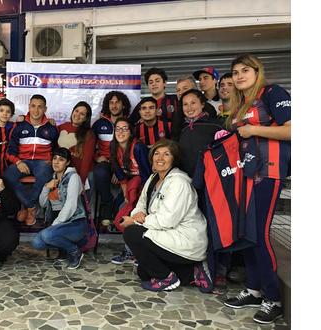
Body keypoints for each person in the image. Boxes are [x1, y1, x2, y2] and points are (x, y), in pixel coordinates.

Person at [222, 54, 290, 325]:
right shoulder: (241, 104)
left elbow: (292, 130)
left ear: (257, 71)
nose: (239, 76)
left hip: (269, 172)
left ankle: (272, 298)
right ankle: (253, 289)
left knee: (260, 235)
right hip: (245, 175)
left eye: (245, 70)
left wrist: (253, 130)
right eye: (235, 71)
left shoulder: (273, 93)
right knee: (247, 235)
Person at [121, 139, 212, 293]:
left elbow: (167, 220)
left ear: (174, 159)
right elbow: (141, 204)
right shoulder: (153, 179)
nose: (160, 158)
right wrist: (137, 213)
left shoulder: (179, 182)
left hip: (185, 239)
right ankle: (192, 272)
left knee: (132, 233)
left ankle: (166, 279)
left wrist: (135, 222)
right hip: (166, 234)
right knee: (144, 273)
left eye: (166, 154)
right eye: (156, 153)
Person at [4, 94, 59, 226]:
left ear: (45, 109)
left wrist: (51, 161)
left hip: (43, 162)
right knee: (7, 176)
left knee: (45, 176)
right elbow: (10, 150)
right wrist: (18, 162)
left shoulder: (51, 127)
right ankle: (30, 207)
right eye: (33, 106)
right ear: (28, 106)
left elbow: (57, 148)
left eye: (40, 107)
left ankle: (26, 207)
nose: (36, 110)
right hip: (23, 160)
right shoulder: (19, 125)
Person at [32, 148, 88, 269]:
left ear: (67, 163)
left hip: (75, 224)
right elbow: (43, 204)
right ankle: (64, 248)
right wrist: (47, 186)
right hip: (61, 227)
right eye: (54, 158)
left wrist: (54, 225)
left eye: (61, 160)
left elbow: (71, 205)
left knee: (47, 235)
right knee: (37, 242)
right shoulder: (53, 179)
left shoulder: (73, 177)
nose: (56, 162)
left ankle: (74, 251)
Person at [109, 118, 150, 264]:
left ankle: (137, 252)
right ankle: (130, 251)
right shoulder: (113, 147)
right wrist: (127, 196)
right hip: (131, 188)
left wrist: (143, 200)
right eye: (117, 129)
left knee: (137, 216)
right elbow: (120, 176)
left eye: (124, 128)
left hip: (144, 187)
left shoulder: (138, 147)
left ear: (131, 131)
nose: (120, 132)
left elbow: (148, 175)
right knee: (122, 211)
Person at [92, 91, 131, 223]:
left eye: (117, 102)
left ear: (123, 105)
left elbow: (132, 148)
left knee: (133, 179)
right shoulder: (99, 124)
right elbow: (89, 146)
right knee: (99, 171)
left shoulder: (129, 124)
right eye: (111, 103)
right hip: (106, 162)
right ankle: (107, 203)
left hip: (124, 163)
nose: (114, 106)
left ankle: (118, 207)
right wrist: (97, 157)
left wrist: (120, 170)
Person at [177, 89, 223, 178]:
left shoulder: (216, 125)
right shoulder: (182, 129)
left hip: (211, 178)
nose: (189, 107)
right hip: (188, 180)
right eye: (185, 104)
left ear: (202, 104)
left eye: (193, 103)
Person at [128, 68, 180, 136]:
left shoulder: (175, 100)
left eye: (157, 81)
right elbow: (130, 123)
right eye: (151, 82)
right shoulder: (143, 104)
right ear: (148, 86)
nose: (154, 84)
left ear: (164, 83)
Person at [57, 101, 96, 186]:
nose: (77, 115)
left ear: (86, 118)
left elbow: (87, 160)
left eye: (82, 114)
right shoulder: (62, 127)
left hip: (81, 174)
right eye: (76, 111)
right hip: (62, 171)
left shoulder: (89, 133)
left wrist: (81, 181)